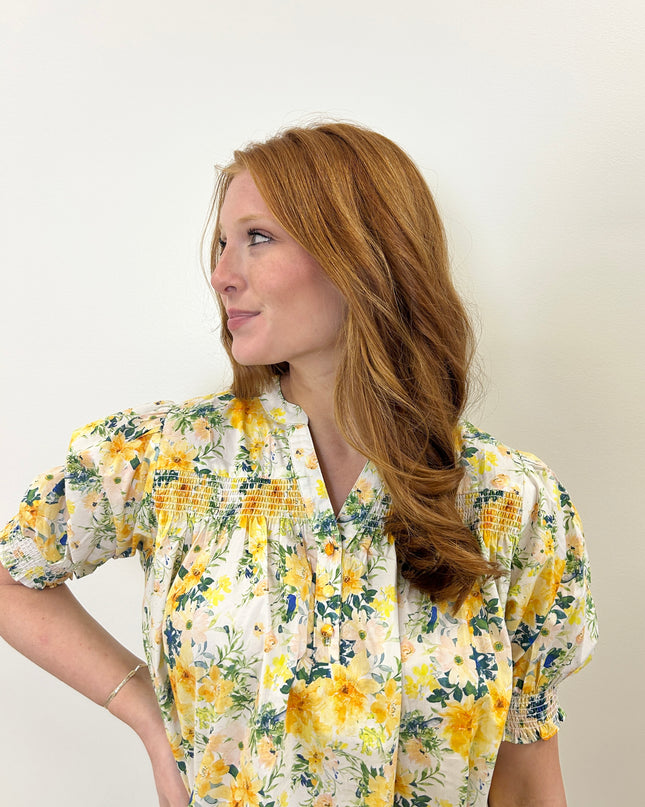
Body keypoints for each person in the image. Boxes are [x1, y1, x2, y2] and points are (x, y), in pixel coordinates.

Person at [0, 122, 596, 807]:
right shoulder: (164, 458)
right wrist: (146, 713)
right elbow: (14, 575)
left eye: (257, 237)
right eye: (222, 243)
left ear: (363, 253)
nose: (222, 275)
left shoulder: (510, 500)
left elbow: (525, 774)